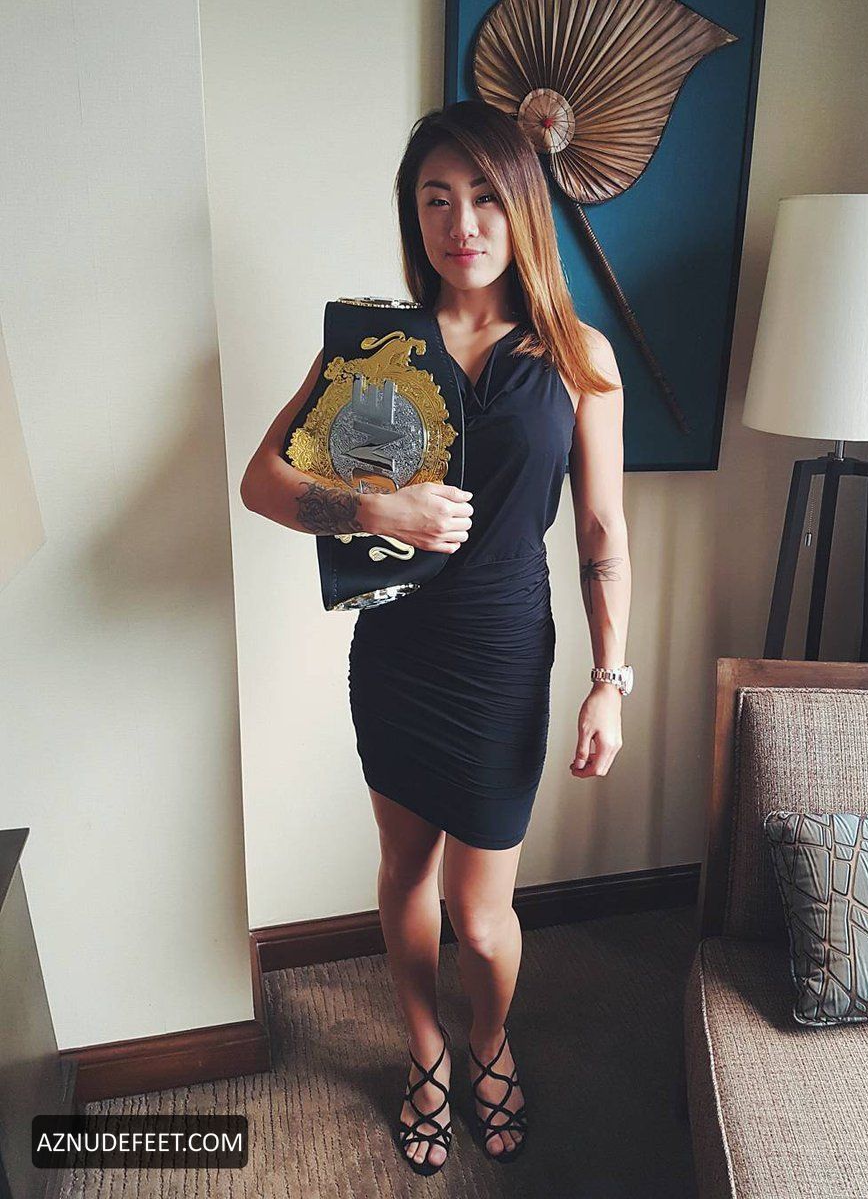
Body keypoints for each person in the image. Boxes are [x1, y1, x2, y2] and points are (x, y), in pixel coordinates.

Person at [240, 99, 631, 1176]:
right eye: (436, 199)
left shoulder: (578, 355)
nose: (462, 223)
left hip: (505, 657)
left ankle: (489, 1039)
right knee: (406, 871)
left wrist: (611, 678)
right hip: (397, 654)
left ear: (525, 206)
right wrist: (375, 507)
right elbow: (263, 481)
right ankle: (424, 1049)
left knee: (481, 912)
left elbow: (602, 529)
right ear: (414, 216)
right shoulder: (376, 347)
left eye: (487, 196)